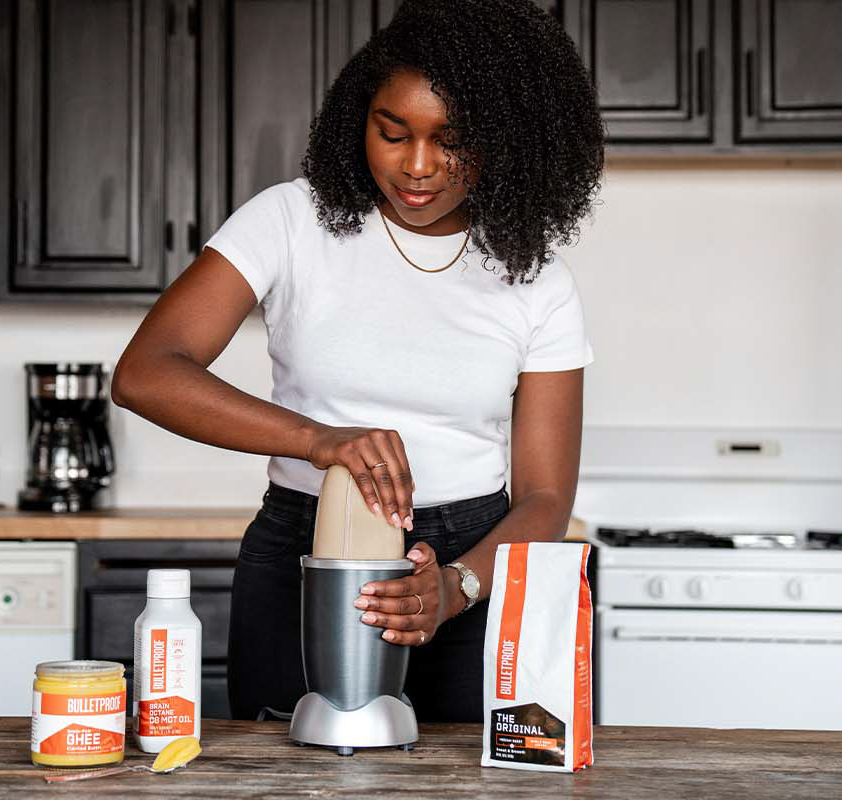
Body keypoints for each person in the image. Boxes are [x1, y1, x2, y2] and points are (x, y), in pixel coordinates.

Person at [111, 0, 604, 722]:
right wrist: (318, 440)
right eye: (392, 132)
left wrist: (457, 587)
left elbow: (545, 498)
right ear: (359, 118)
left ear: (507, 141)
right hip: (305, 546)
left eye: (452, 141)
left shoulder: (537, 280)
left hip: (475, 561)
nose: (416, 166)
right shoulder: (291, 220)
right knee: (287, 773)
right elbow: (146, 371)